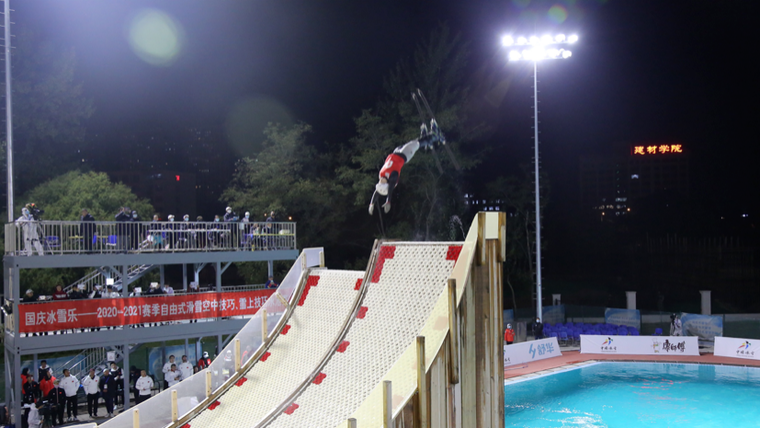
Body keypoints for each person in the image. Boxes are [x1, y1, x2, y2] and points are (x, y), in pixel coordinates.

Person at [368, 126, 443, 215]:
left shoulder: (381, 176)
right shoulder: (393, 176)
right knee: (416, 143)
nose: (380, 181)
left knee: (415, 143)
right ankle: (435, 136)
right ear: (386, 183)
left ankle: (426, 139)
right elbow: (391, 189)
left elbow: (377, 192)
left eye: (379, 182)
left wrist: (371, 203)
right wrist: (388, 201)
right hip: (405, 154)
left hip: (396, 151)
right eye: (381, 183)